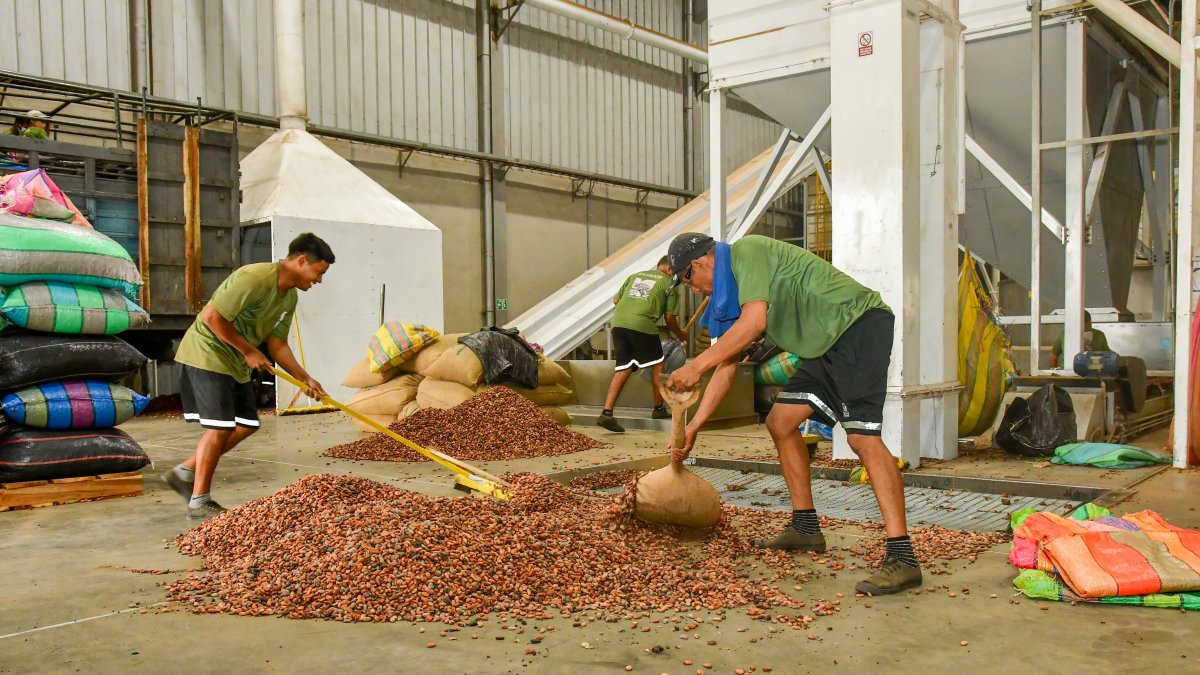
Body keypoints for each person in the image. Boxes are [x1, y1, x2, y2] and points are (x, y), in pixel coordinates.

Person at [664, 232, 922, 596]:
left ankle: (903, 557)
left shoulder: (746, 252)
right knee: (780, 422)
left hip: (856, 325)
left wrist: (695, 365)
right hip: (822, 345)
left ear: (701, 263)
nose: (693, 290)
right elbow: (726, 364)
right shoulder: (728, 298)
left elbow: (754, 324)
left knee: (862, 437)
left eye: (688, 280)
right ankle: (805, 527)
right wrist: (694, 426)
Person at [164, 233, 334, 518]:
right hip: (206, 354)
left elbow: (277, 344)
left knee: (245, 424)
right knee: (219, 427)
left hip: (234, 362)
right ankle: (199, 499)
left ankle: (183, 472)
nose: (319, 280)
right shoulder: (254, 277)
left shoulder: (289, 297)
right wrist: (248, 351)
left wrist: (305, 378)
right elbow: (212, 318)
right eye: (319, 272)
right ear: (302, 261)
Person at [596, 255, 688, 433]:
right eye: (678, 272)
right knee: (658, 365)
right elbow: (669, 318)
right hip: (642, 324)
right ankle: (658, 409)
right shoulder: (669, 284)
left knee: (624, 367)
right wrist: (681, 333)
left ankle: (606, 413)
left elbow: (616, 301)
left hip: (619, 324)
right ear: (669, 269)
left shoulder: (635, 276)